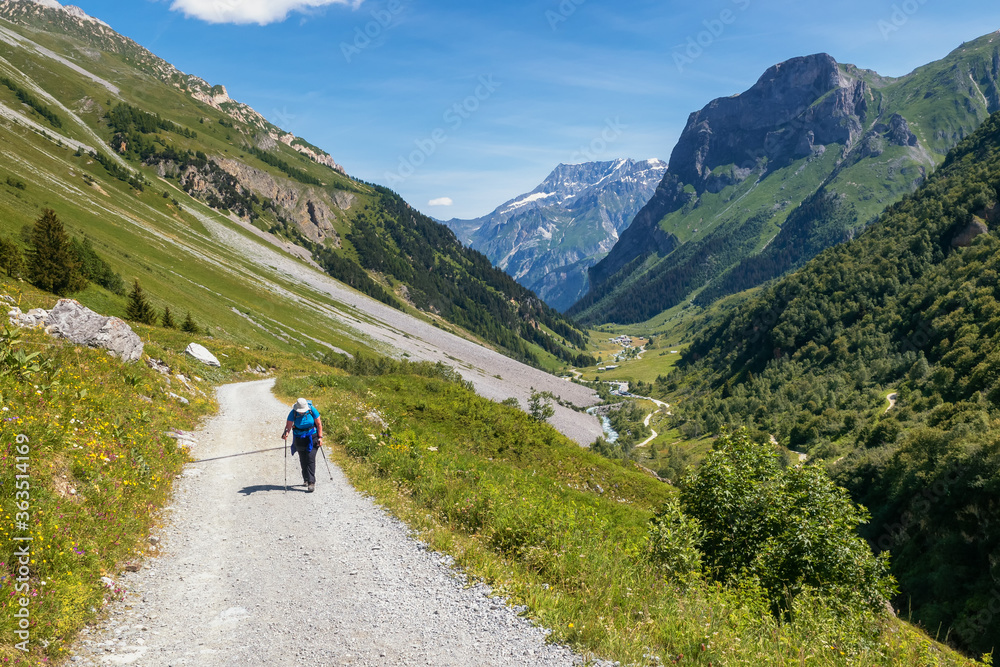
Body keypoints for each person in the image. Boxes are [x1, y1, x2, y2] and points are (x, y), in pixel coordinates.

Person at [282, 397, 323, 492]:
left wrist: (320, 438)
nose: (301, 412)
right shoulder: (293, 413)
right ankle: (306, 478)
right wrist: (286, 433)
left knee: (310, 458)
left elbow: (319, 424)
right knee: (303, 458)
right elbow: (288, 426)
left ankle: (311, 482)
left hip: (312, 436)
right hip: (299, 437)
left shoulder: (312, 410)